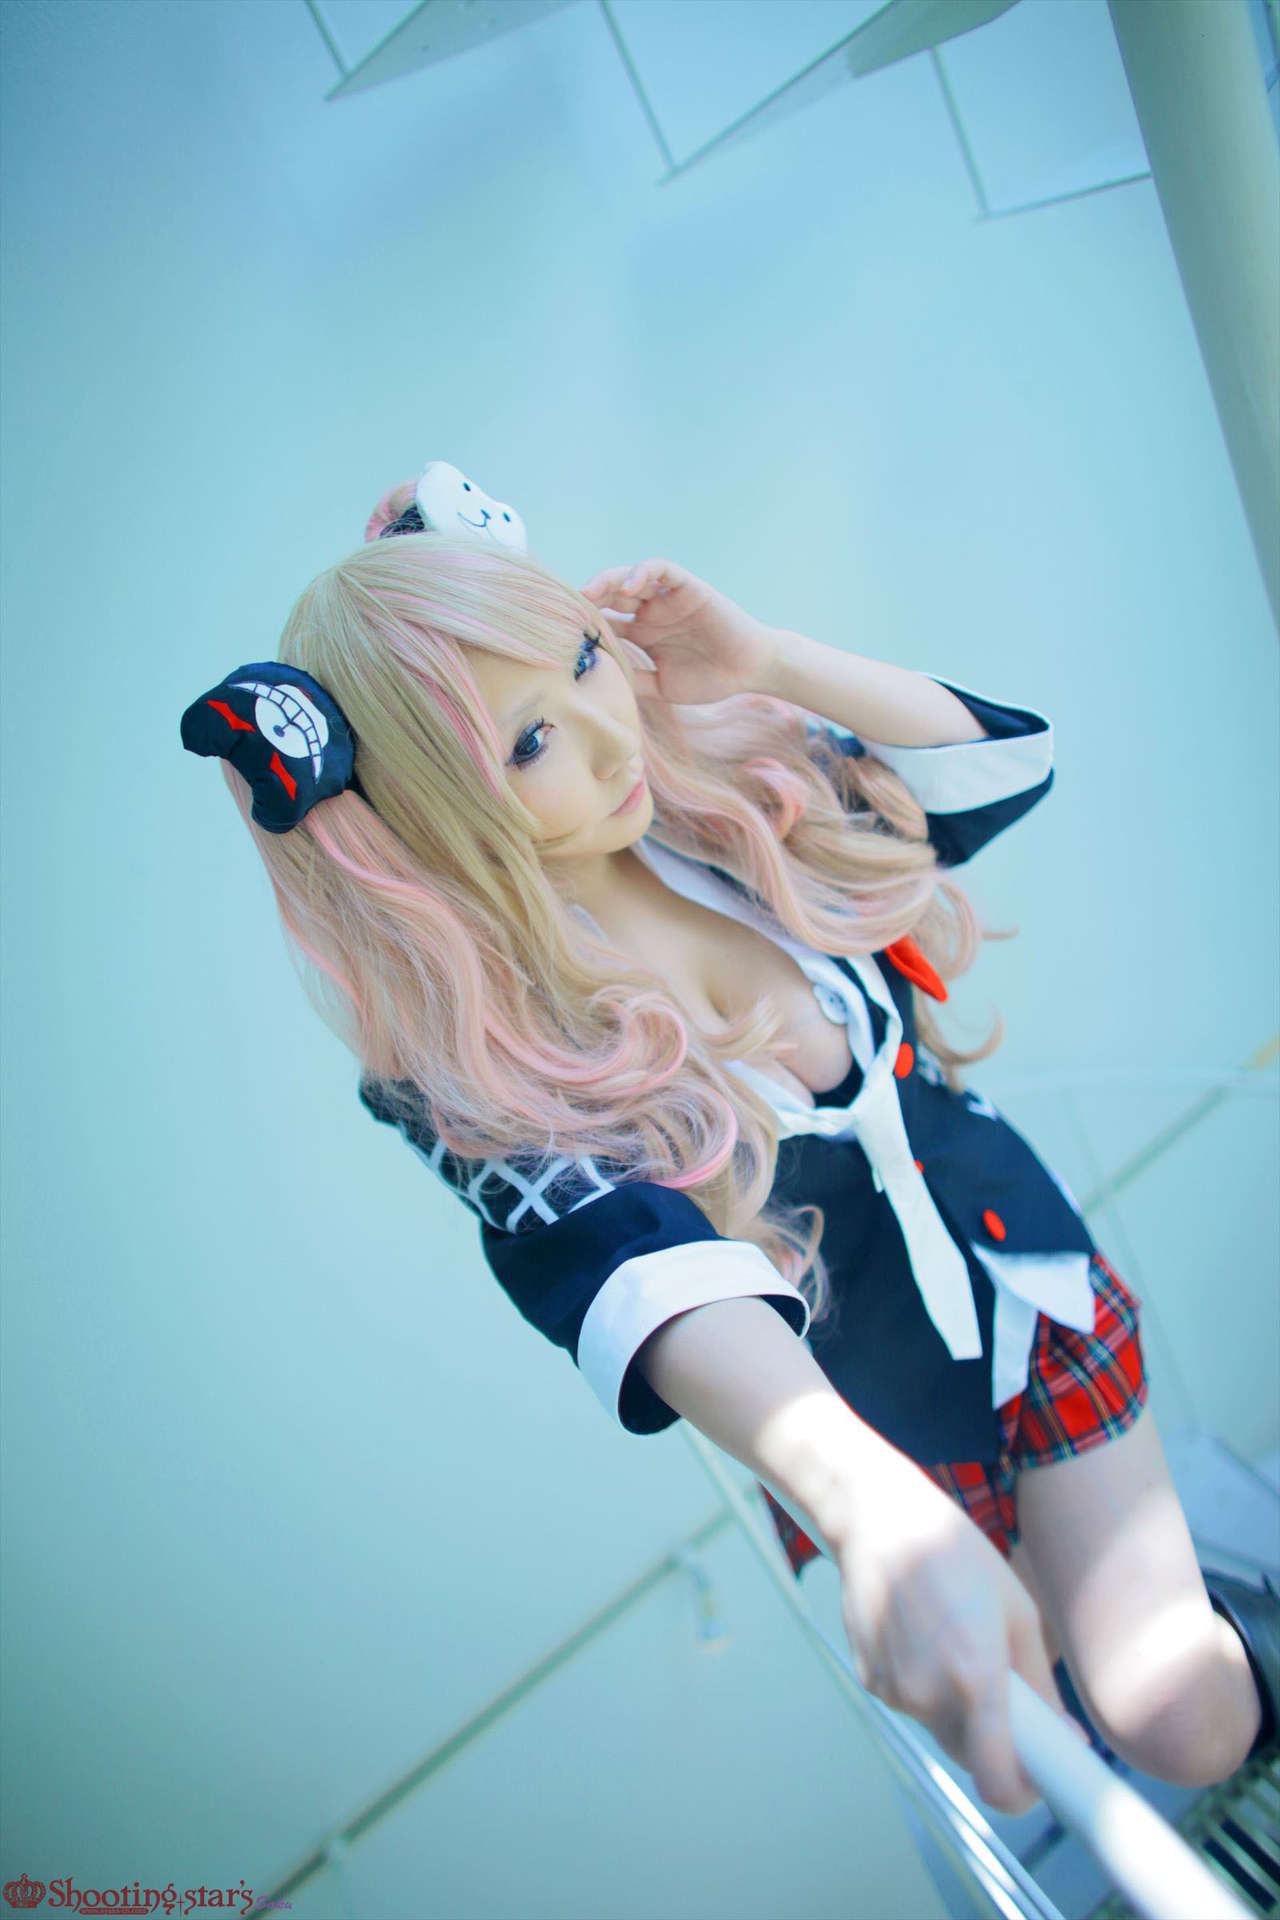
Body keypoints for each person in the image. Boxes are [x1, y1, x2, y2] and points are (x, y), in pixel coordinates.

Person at [180, 468, 1279, 1820]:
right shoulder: (483, 1067)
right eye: (532, 741)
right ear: (427, 816)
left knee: (1179, 1718)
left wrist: (766, 658)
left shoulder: (725, 802)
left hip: (1030, 1298)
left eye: (584, 657)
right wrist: (863, 1500)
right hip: (873, 1424)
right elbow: (638, 1277)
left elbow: (1000, 771)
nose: (608, 736)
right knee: (1042, 1747)